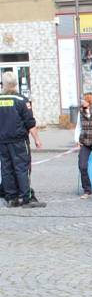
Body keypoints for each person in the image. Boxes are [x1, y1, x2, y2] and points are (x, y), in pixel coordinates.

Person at [0, 71, 44, 208]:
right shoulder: (22, 100)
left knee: (6, 169)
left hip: (2, 141)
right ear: (15, 83)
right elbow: (30, 123)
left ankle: (11, 198)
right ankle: (26, 197)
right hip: (19, 141)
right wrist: (37, 139)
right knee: (22, 168)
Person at [74, 92, 92, 199]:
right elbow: (78, 127)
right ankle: (87, 190)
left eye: (83, 100)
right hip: (84, 142)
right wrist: (77, 140)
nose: (81, 102)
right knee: (82, 166)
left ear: (89, 101)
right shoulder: (80, 112)